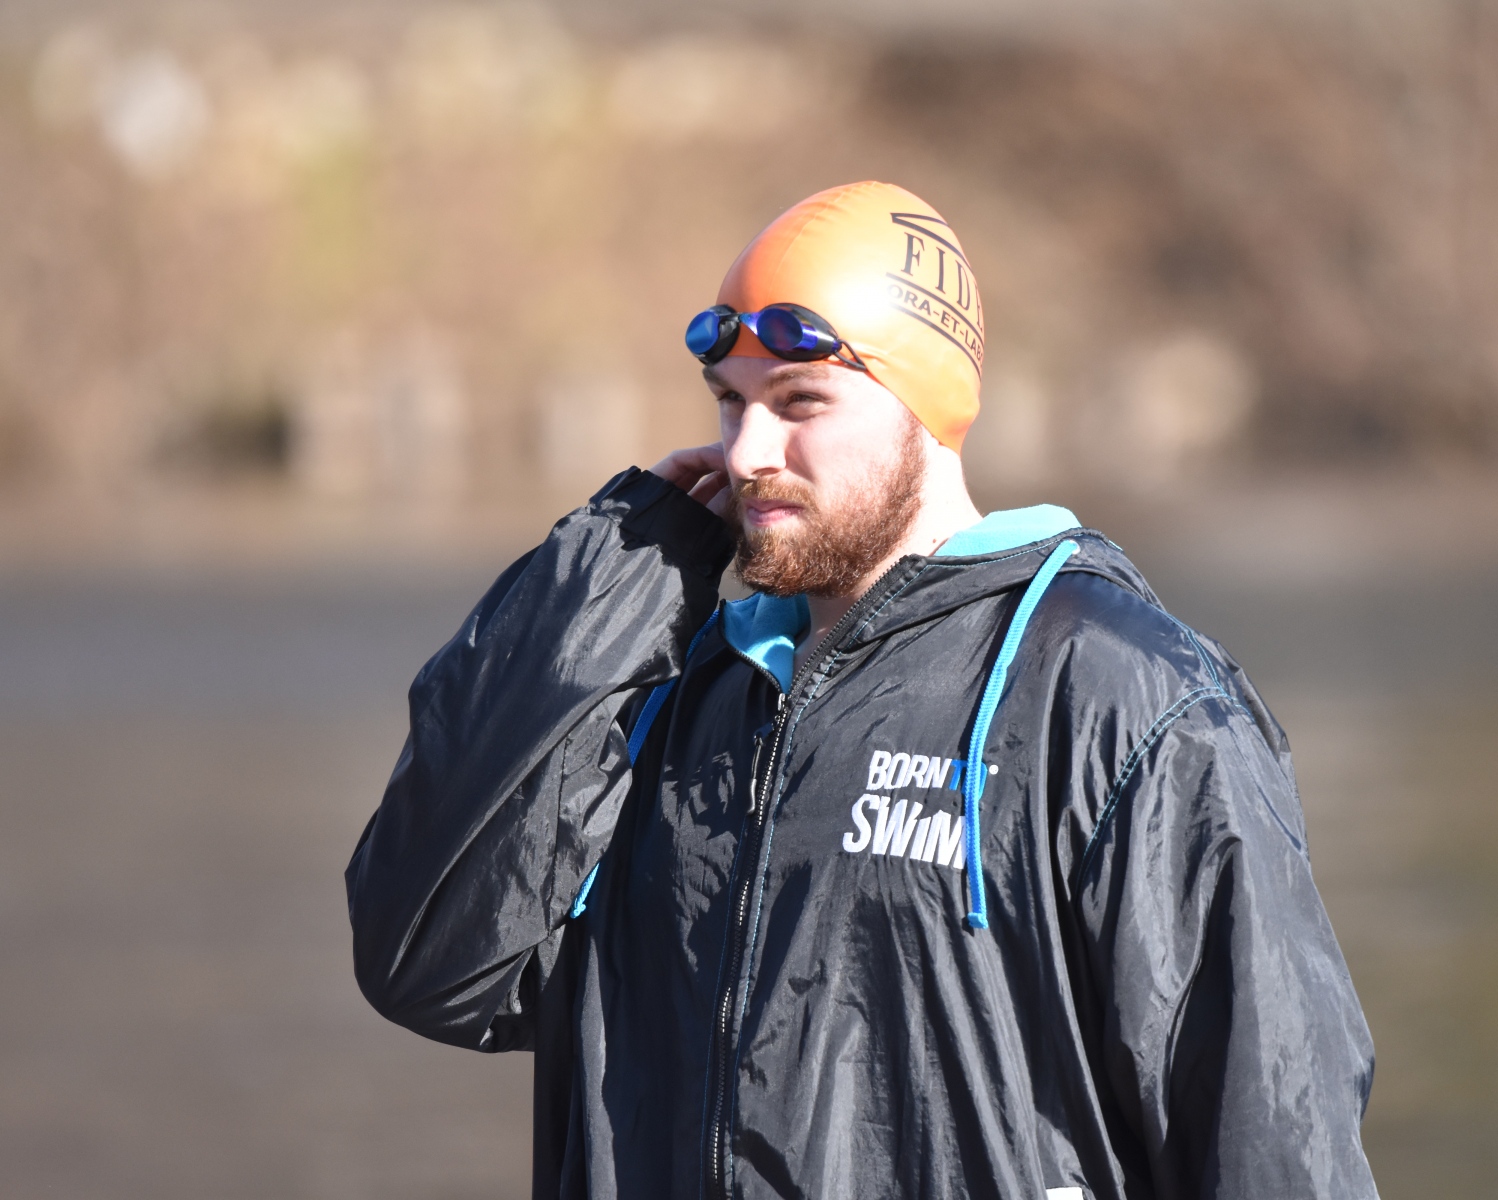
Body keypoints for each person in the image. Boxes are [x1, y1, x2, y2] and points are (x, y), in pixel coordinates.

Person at [346, 181, 1379, 1200]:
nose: (749, 453)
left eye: (800, 402)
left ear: (924, 408)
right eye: (730, 401)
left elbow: (1273, 1136)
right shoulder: (668, 693)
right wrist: (616, 571)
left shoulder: (1120, 698)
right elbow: (428, 964)